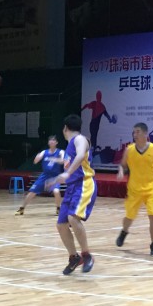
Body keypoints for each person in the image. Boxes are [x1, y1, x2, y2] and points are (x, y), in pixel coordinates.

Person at [116, 122, 153, 256]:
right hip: (134, 189)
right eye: (134, 132)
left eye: (138, 131)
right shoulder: (129, 150)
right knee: (129, 217)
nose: (135, 134)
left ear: (145, 133)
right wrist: (121, 171)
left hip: (151, 188)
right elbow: (122, 165)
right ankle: (124, 231)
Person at [55, 114, 97, 275]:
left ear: (65, 128)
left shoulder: (80, 139)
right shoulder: (69, 146)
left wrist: (67, 173)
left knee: (73, 218)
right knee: (61, 224)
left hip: (84, 184)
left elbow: (80, 156)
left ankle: (87, 255)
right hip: (72, 187)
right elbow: (72, 160)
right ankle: (74, 257)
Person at [15, 135, 66, 216]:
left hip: (55, 177)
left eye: (53, 140)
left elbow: (63, 161)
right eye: (50, 140)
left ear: (56, 142)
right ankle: (22, 209)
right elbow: (35, 162)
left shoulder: (60, 152)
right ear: (48, 142)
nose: (51, 142)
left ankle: (58, 209)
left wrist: (54, 159)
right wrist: (37, 157)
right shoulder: (44, 152)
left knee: (56, 191)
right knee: (32, 192)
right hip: (44, 176)